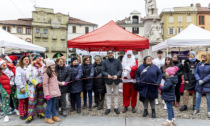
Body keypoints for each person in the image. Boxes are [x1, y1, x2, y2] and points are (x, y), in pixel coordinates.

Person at [25, 55, 45, 124]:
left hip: (42, 85)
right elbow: (29, 76)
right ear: (34, 59)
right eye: (37, 58)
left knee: (40, 100)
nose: (39, 59)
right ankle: (30, 115)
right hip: (33, 86)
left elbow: (44, 74)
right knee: (32, 101)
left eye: (40, 58)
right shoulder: (30, 66)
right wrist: (36, 83)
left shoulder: (43, 65)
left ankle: (40, 112)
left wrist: (43, 82)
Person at [102, 49, 122, 115]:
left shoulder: (117, 61)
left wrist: (117, 75)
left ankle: (116, 108)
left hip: (116, 80)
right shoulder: (104, 62)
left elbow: (120, 69)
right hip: (108, 80)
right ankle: (108, 108)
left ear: (113, 54)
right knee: (108, 94)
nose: (110, 54)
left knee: (116, 94)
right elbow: (103, 71)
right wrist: (107, 75)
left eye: (111, 53)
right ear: (107, 54)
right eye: (109, 53)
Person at [43, 59, 62, 124]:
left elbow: (55, 81)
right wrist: (46, 94)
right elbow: (45, 84)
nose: (53, 66)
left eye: (54, 65)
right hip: (49, 93)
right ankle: (47, 117)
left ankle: (54, 115)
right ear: (48, 66)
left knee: (54, 104)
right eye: (52, 65)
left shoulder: (53, 72)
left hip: (54, 92)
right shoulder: (46, 73)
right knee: (49, 105)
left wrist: (62, 83)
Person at [193, 53, 210, 118]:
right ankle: (197, 109)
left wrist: (204, 80)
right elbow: (196, 72)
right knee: (198, 97)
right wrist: (198, 79)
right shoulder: (199, 64)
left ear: (207, 57)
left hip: (208, 83)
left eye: (204, 56)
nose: (202, 57)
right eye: (202, 56)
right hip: (199, 83)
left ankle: (209, 111)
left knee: (208, 98)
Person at [15, 55, 31, 120]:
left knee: (28, 101)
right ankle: (22, 114)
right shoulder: (19, 68)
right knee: (22, 101)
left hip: (29, 88)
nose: (27, 60)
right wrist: (21, 87)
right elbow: (18, 78)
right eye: (25, 59)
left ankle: (27, 112)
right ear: (22, 60)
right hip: (22, 87)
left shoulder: (30, 67)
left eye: (28, 59)